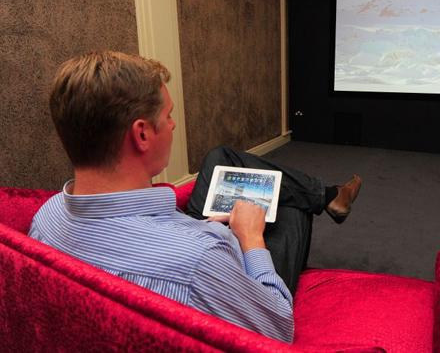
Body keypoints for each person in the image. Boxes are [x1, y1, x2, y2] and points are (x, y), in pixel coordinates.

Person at [28, 50, 361, 344]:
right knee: (285, 204)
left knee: (220, 156)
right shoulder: (200, 259)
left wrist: (209, 228)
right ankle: (324, 197)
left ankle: (327, 196)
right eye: (168, 116)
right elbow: (277, 328)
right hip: (207, 263)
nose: (173, 125)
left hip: (176, 236)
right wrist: (251, 240)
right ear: (142, 134)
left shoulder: (46, 216)